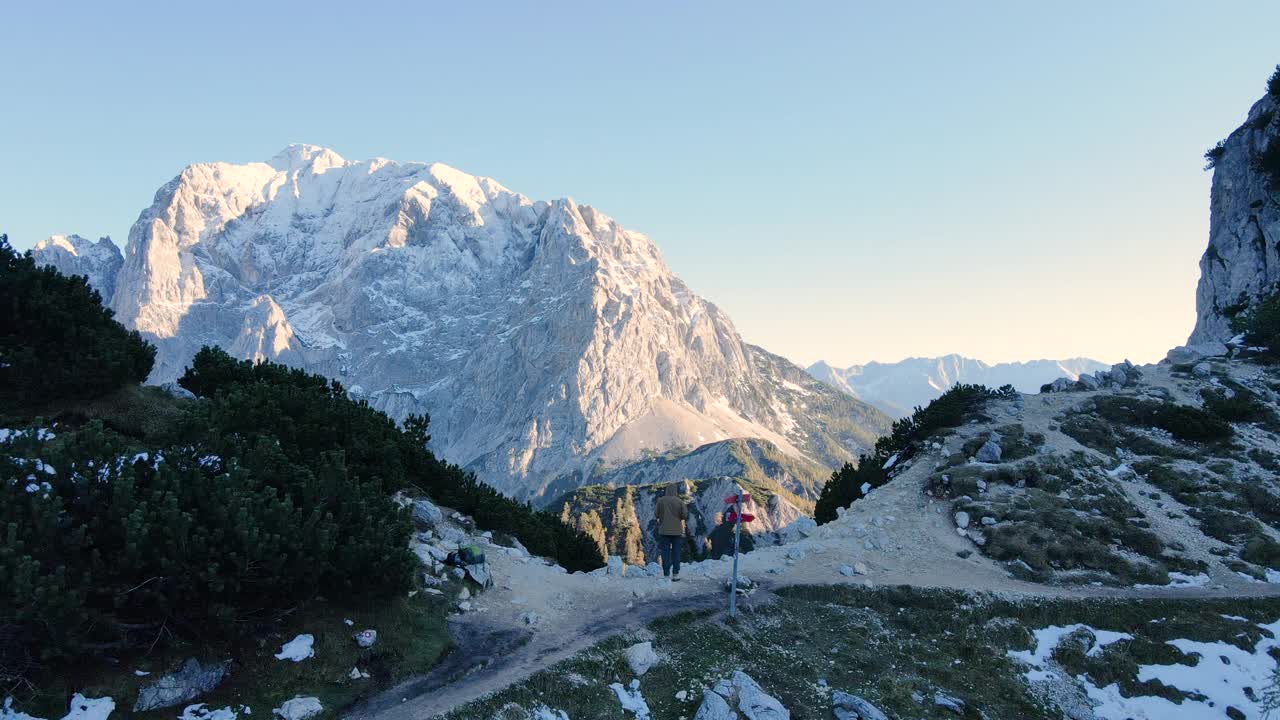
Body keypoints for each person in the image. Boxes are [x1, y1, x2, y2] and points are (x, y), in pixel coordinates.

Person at [655, 482, 688, 580]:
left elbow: (656, 514)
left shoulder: (661, 501)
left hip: (664, 531)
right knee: (676, 552)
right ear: (675, 491)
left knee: (665, 552)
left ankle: (666, 574)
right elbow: (685, 515)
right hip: (677, 531)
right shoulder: (679, 501)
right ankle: (675, 574)